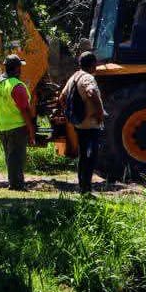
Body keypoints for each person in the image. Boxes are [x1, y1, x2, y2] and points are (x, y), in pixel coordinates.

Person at [60, 51, 105, 195]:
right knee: (91, 157)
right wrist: (99, 113)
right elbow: (91, 93)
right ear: (93, 64)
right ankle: (86, 190)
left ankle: (82, 188)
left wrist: (70, 114)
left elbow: (61, 97)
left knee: (83, 156)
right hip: (90, 124)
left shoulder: (74, 77)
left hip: (79, 124)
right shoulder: (87, 78)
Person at [0, 55, 36, 191]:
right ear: (17, 68)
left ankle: (14, 182)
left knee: (10, 156)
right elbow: (25, 111)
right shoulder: (17, 86)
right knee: (17, 157)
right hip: (17, 127)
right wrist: (31, 131)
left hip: (1, 126)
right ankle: (17, 184)